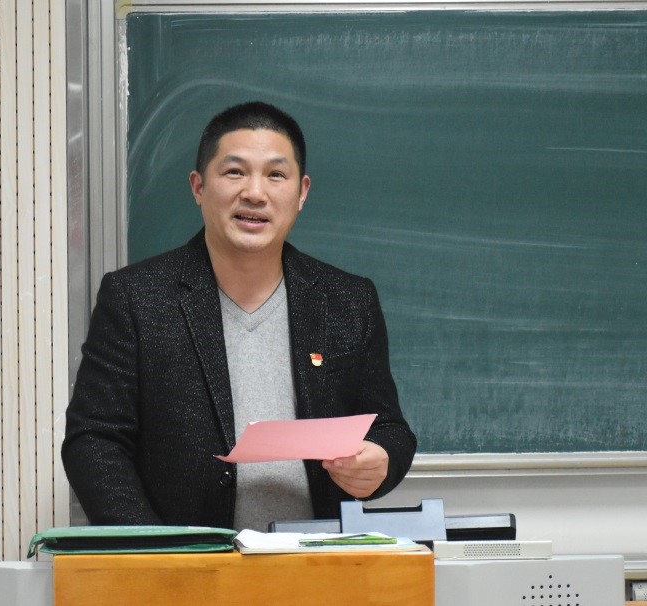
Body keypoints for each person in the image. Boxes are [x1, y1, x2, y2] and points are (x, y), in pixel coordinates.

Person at [62, 101, 416, 531]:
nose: (255, 193)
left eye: (276, 175)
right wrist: (155, 548)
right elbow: (94, 440)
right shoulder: (136, 298)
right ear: (198, 186)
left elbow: (388, 428)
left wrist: (381, 460)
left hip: (316, 561)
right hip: (186, 563)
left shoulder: (347, 301)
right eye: (234, 172)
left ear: (302, 192)